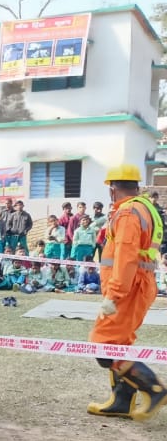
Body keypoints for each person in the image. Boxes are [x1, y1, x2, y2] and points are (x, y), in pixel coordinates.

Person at [87, 165, 167, 421]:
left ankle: (155, 389)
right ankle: (122, 401)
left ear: (112, 189)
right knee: (119, 345)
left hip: (128, 287)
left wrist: (114, 295)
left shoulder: (129, 212)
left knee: (103, 345)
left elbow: (125, 256)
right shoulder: (144, 208)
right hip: (138, 285)